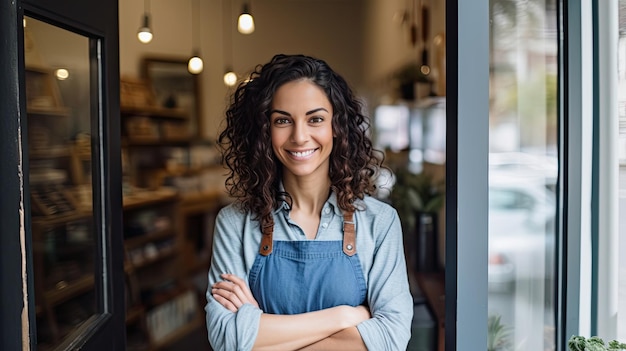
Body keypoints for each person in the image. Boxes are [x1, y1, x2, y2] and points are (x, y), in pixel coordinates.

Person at [205, 54, 413, 350]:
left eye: (315, 119)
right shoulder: (234, 223)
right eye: (282, 120)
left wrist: (259, 328)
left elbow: (391, 339)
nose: (299, 136)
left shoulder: (380, 222)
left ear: (337, 127)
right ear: (264, 131)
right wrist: (345, 316)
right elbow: (226, 341)